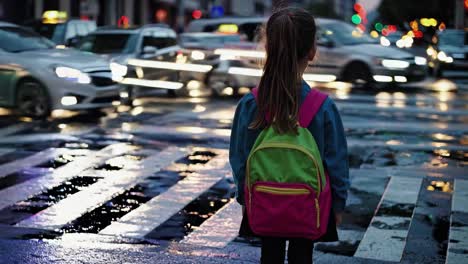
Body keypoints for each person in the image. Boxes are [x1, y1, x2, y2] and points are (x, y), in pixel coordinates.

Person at [229, 7, 349, 264]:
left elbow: (240, 159)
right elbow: (336, 161)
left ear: (269, 48)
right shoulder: (322, 107)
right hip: (308, 204)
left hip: (263, 201)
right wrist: (337, 204)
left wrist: (245, 197)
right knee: (302, 255)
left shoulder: (251, 104)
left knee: (269, 254)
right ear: (312, 52)